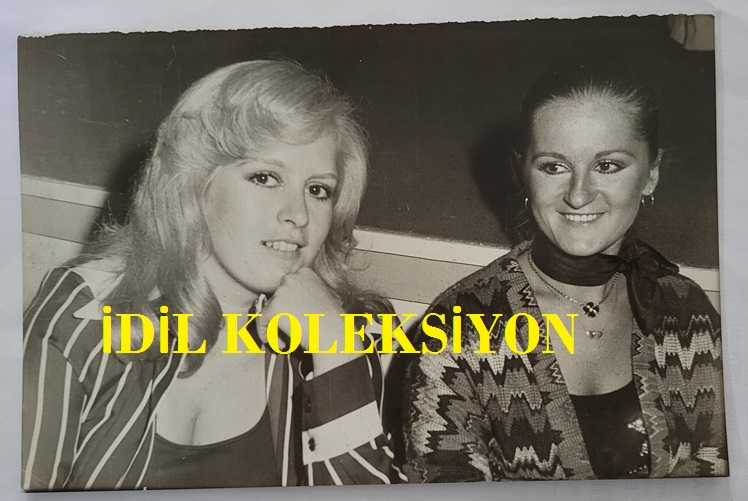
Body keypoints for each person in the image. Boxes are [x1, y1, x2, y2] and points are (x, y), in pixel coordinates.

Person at [22, 60, 402, 490]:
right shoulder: (84, 315)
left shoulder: (341, 333)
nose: (298, 215)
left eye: (318, 190)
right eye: (265, 177)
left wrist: (335, 347)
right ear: (195, 184)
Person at [398, 63, 727, 480]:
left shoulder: (686, 310)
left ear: (652, 174)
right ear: (523, 173)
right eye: (554, 167)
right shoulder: (460, 329)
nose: (578, 194)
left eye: (608, 166)